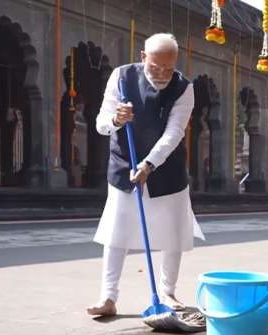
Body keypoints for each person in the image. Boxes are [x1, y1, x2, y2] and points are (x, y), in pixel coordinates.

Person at [87, 33, 205, 317]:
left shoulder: (183, 88)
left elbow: (174, 132)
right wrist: (116, 119)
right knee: (117, 232)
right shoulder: (122, 76)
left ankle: (168, 292)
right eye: (155, 67)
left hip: (167, 168)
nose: (162, 74)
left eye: (168, 68)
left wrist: (150, 164)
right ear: (143, 58)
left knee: (173, 232)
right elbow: (101, 123)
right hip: (124, 165)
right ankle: (108, 297)